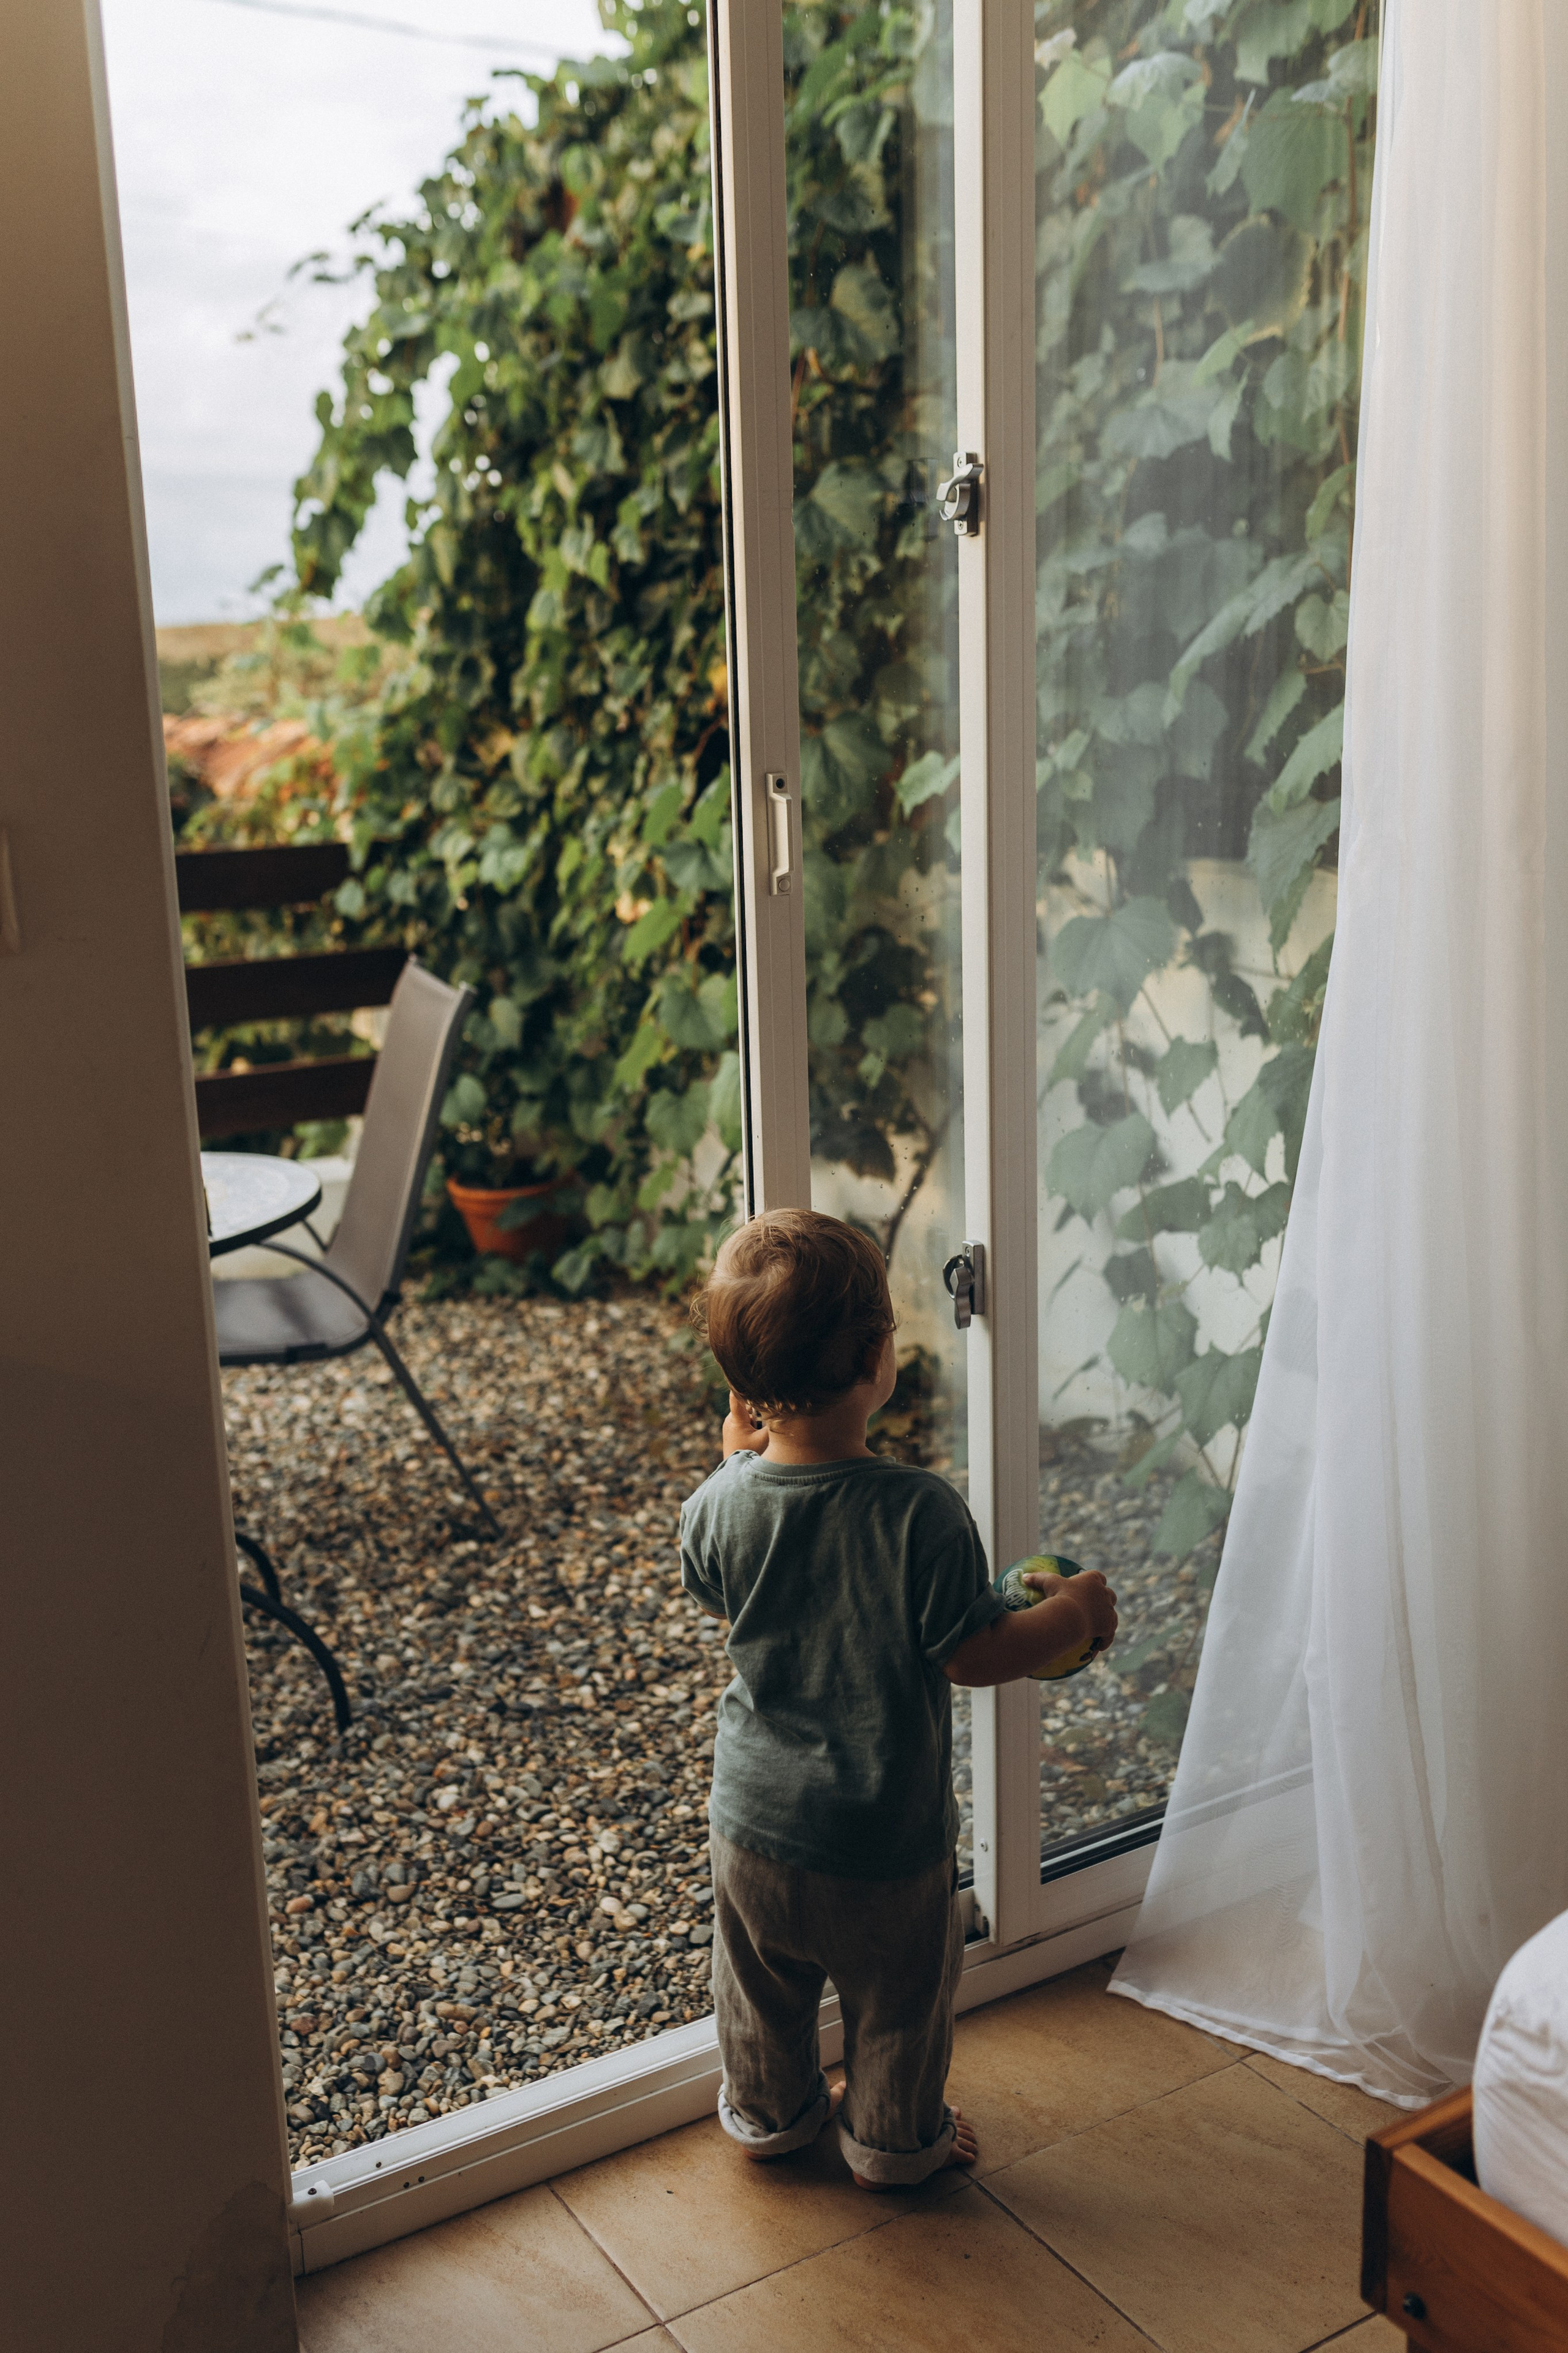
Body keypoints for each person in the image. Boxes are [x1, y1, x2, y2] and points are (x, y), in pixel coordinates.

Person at [681, 1207, 1118, 2188]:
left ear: (745, 1390)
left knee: (759, 1992)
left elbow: (719, 1583)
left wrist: (734, 1464)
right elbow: (974, 1652)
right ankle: (891, 2138)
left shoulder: (717, 1503)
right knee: (900, 2003)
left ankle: (771, 2115)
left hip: (751, 1823)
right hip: (883, 1841)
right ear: (880, 1354)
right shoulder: (920, 1514)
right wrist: (1079, 1613)